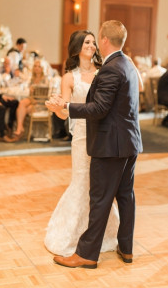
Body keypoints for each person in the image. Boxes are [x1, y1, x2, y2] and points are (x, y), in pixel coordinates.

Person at [46, 20, 143, 269]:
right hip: (129, 142)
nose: (94, 43)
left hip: (110, 144)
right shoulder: (127, 63)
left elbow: (99, 108)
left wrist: (66, 106)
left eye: (97, 38)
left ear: (104, 40)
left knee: (100, 198)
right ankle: (126, 248)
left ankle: (87, 254)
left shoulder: (110, 68)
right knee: (125, 196)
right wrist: (63, 107)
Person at [44, 30, 119, 257]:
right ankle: (73, 235)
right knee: (81, 181)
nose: (92, 46)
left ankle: (101, 233)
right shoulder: (69, 78)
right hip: (82, 136)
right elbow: (65, 113)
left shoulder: (102, 72)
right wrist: (57, 108)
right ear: (77, 48)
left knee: (99, 184)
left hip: (103, 135)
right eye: (87, 42)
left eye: (94, 43)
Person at [8, 58, 49, 141]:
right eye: (35, 66)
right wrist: (31, 95)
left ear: (42, 68)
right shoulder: (32, 79)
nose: (37, 68)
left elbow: (46, 95)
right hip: (33, 100)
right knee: (22, 103)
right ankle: (20, 128)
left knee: (23, 108)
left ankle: (19, 129)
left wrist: (35, 97)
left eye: (39, 66)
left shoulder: (45, 79)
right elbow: (31, 94)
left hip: (41, 103)